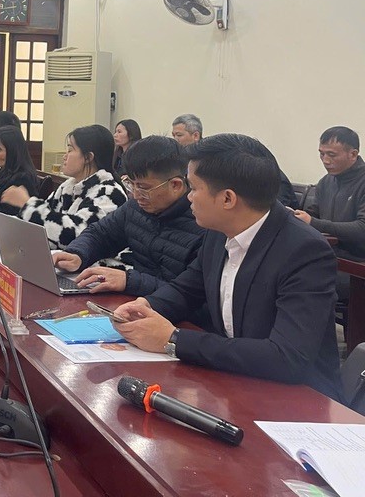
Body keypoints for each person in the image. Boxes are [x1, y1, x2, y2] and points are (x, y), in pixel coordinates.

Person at [113, 134, 342, 401]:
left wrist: (173, 339)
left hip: (299, 400)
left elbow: (287, 357)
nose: (188, 197)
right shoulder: (219, 231)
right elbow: (187, 289)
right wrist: (147, 305)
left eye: (194, 188)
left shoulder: (305, 251)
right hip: (235, 380)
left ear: (227, 199)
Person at [52, 136, 206, 296]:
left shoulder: (203, 222)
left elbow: (190, 293)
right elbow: (101, 234)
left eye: (143, 187)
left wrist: (130, 281)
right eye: (131, 184)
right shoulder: (136, 207)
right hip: (136, 300)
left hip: (167, 307)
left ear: (175, 185)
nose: (136, 195)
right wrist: (78, 254)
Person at [12, 124, 127, 247]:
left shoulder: (110, 193)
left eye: (70, 150)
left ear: (88, 157)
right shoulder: (68, 186)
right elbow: (44, 219)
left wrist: (28, 204)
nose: (64, 156)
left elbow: (75, 236)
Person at [172, 113, 299, 209]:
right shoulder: (190, 161)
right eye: (173, 135)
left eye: (179, 135)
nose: (175, 140)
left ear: (196, 135)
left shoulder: (220, 161)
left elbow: (270, 209)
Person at [295, 126, 365, 297]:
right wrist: (293, 217)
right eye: (321, 154)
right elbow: (313, 213)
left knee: (301, 282)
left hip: (357, 263)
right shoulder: (325, 182)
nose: (325, 160)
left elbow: (362, 229)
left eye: (332, 155)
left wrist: (313, 222)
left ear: (353, 154)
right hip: (328, 257)